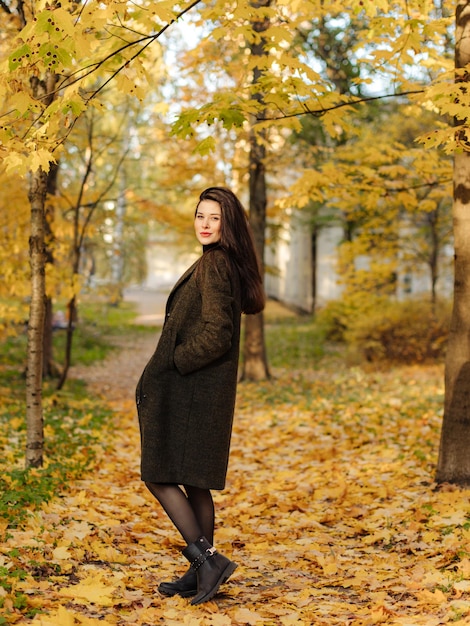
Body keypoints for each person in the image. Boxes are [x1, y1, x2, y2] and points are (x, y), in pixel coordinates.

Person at [135, 187, 265, 605]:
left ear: (228, 225)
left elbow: (217, 334)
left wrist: (173, 359)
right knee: (194, 482)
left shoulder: (215, 265)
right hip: (201, 393)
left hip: (193, 391)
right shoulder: (218, 262)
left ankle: (208, 560)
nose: (205, 225)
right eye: (200, 216)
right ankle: (200, 571)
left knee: (158, 473)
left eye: (214, 218)